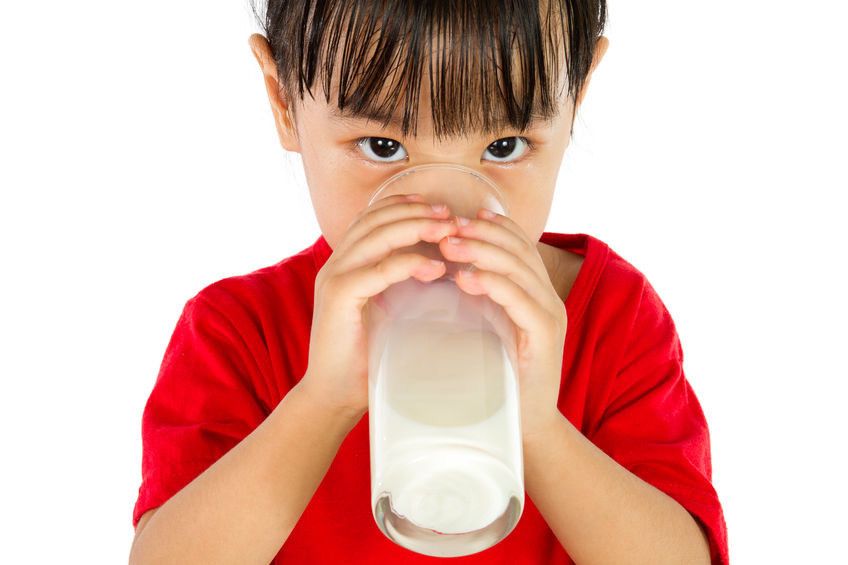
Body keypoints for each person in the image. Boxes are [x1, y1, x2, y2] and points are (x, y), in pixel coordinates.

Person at [129, 1, 729, 563]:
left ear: (577, 100)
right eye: (383, 146)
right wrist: (321, 401)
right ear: (284, 102)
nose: (447, 207)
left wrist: (539, 427)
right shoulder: (240, 331)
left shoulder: (611, 319)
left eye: (505, 145)